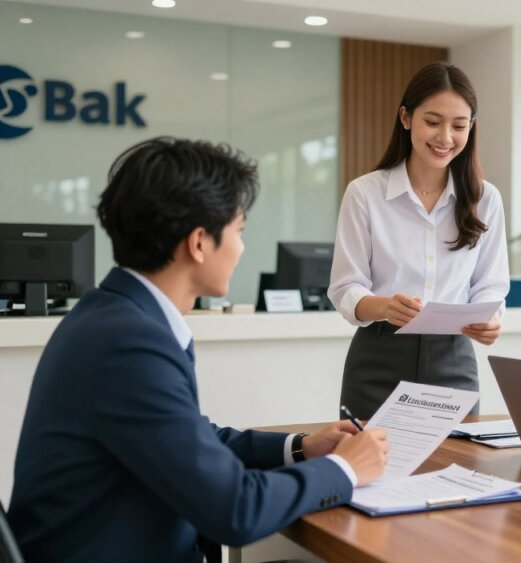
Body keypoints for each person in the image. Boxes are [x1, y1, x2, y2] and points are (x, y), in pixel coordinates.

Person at [7, 137, 389, 562]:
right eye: (239, 232)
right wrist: (346, 469)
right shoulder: (129, 343)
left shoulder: (119, 316)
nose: (242, 249)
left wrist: (299, 447)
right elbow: (234, 510)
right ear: (199, 242)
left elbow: (190, 438)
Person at [328, 62, 510, 419]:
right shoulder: (365, 193)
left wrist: (489, 319)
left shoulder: (485, 199)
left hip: (453, 359)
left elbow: (490, 285)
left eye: (459, 126)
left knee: (457, 467)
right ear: (406, 118)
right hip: (378, 359)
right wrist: (383, 307)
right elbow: (345, 287)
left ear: (470, 128)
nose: (445, 137)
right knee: (369, 467)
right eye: (433, 121)